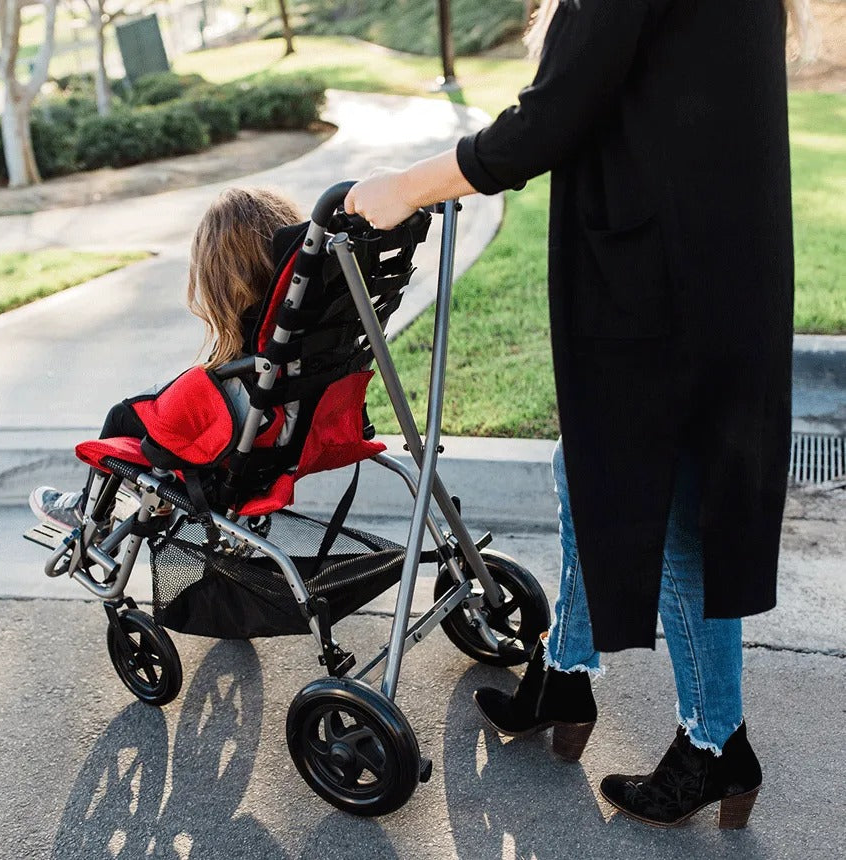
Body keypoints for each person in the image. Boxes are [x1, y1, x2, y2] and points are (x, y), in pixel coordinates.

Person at [344, 0, 793, 829]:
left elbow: (547, 122)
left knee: (675, 510)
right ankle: (566, 672)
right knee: (586, 467)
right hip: (721, 260)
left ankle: (715, 741)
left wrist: (403, 188)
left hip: (662, 277)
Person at [29, 187, 302, 529]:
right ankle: (151, 503)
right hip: (284, 437)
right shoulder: (296, 317)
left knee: (123, 416)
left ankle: (89, 514)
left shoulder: (256, 334)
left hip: (239, 440)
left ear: (223, 275)